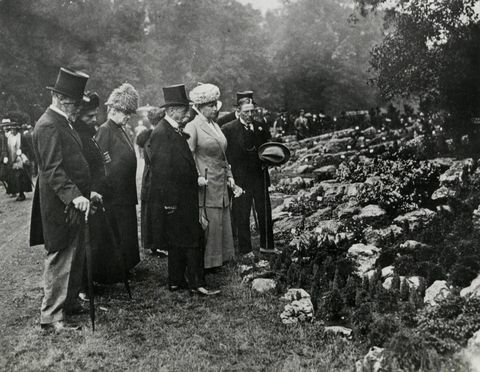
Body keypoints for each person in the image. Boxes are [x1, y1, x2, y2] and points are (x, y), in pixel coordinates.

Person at [29, 67, 91, 332]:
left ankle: (68, 304)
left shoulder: (61, 121)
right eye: (75, 102)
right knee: (60, 256)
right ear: (61, 99)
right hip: (60, 204)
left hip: (72, 201)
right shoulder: (48, 124)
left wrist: (86, 194)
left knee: (74, 254)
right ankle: (51, 316)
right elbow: (53, 169)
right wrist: (74, 196)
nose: (77, 108)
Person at [149, 84, 219, 296]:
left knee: (178, 239)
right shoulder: (163, 133)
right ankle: (197, 282)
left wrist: (195, 177)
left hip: (183, 194)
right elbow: (160, 170)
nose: (187, 112)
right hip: (176, 197)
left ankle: (175, 280)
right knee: (191, 238)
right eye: (182, 108)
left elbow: (179, 162)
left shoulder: (172, 129)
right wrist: (169, 201)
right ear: (171, 110)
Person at [184, 83, 236, 270]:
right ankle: (209, 261)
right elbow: (188, 157)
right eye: (210, 106)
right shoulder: (193, 127)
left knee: (221, 218)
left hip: (220, 179)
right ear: (199, 107)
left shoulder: (214, 125)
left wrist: (229, 175)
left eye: (215, 105)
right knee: (210, 221)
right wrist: (197, 177)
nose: (215, 109)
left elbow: (223, 153)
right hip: (205, 180)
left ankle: (222, 257)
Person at [95, 83, 140, 277]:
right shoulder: (105, 129)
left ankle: (127, 264)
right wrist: (109, 180)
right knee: (118, 231)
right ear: (113, 110)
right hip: (114, 192)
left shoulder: (121, 129)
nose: (128, 116)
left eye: (129, 113)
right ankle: (117, 268)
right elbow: (102, 158)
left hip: (125, 191)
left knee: (127, 230)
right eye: (124, 112)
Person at [222, 98, 276, 255]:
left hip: (260, 177)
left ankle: (267, 245)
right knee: (242, 213)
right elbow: (225, 155)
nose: (250, 114)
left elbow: (268, 148)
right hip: (241, 180)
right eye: (246, 111)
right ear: (238, 111)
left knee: (265, 211)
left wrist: (269, 161)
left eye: (252, 111)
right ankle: (245, 249)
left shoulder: (260, 126)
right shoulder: (229, 129)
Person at [137, 106, 167, 256]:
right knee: (155, 210)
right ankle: (156, 243)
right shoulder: (153, 137)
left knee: (155, 210)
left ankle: (156, 242)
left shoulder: (153, 135)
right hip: (153, 178)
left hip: (154, 176)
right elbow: (155, 160)